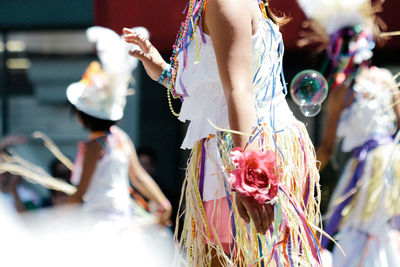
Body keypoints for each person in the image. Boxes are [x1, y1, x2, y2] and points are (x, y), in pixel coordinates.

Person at [124, 0, 322, 266]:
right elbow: (213, 91)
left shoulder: (225, 2)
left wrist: (249, 180)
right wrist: (161, 70)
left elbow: (238, 91)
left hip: (242, 151)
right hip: (241, 150)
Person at [296, 0, 400, 265]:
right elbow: (327, 148)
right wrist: (301, 179)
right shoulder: (341, 93)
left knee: (382, 226)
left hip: (388, 168)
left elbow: (328, 148)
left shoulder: (384, 81)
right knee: (363, 226)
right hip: (365, 172)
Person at [66, 26, 172, 229]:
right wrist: (163, 202)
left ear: (82, 117)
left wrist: (54, 217)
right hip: (124, 222)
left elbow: (81, 192)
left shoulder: (95, 146)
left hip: (102, 226)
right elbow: (139, 176)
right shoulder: (120, 138)